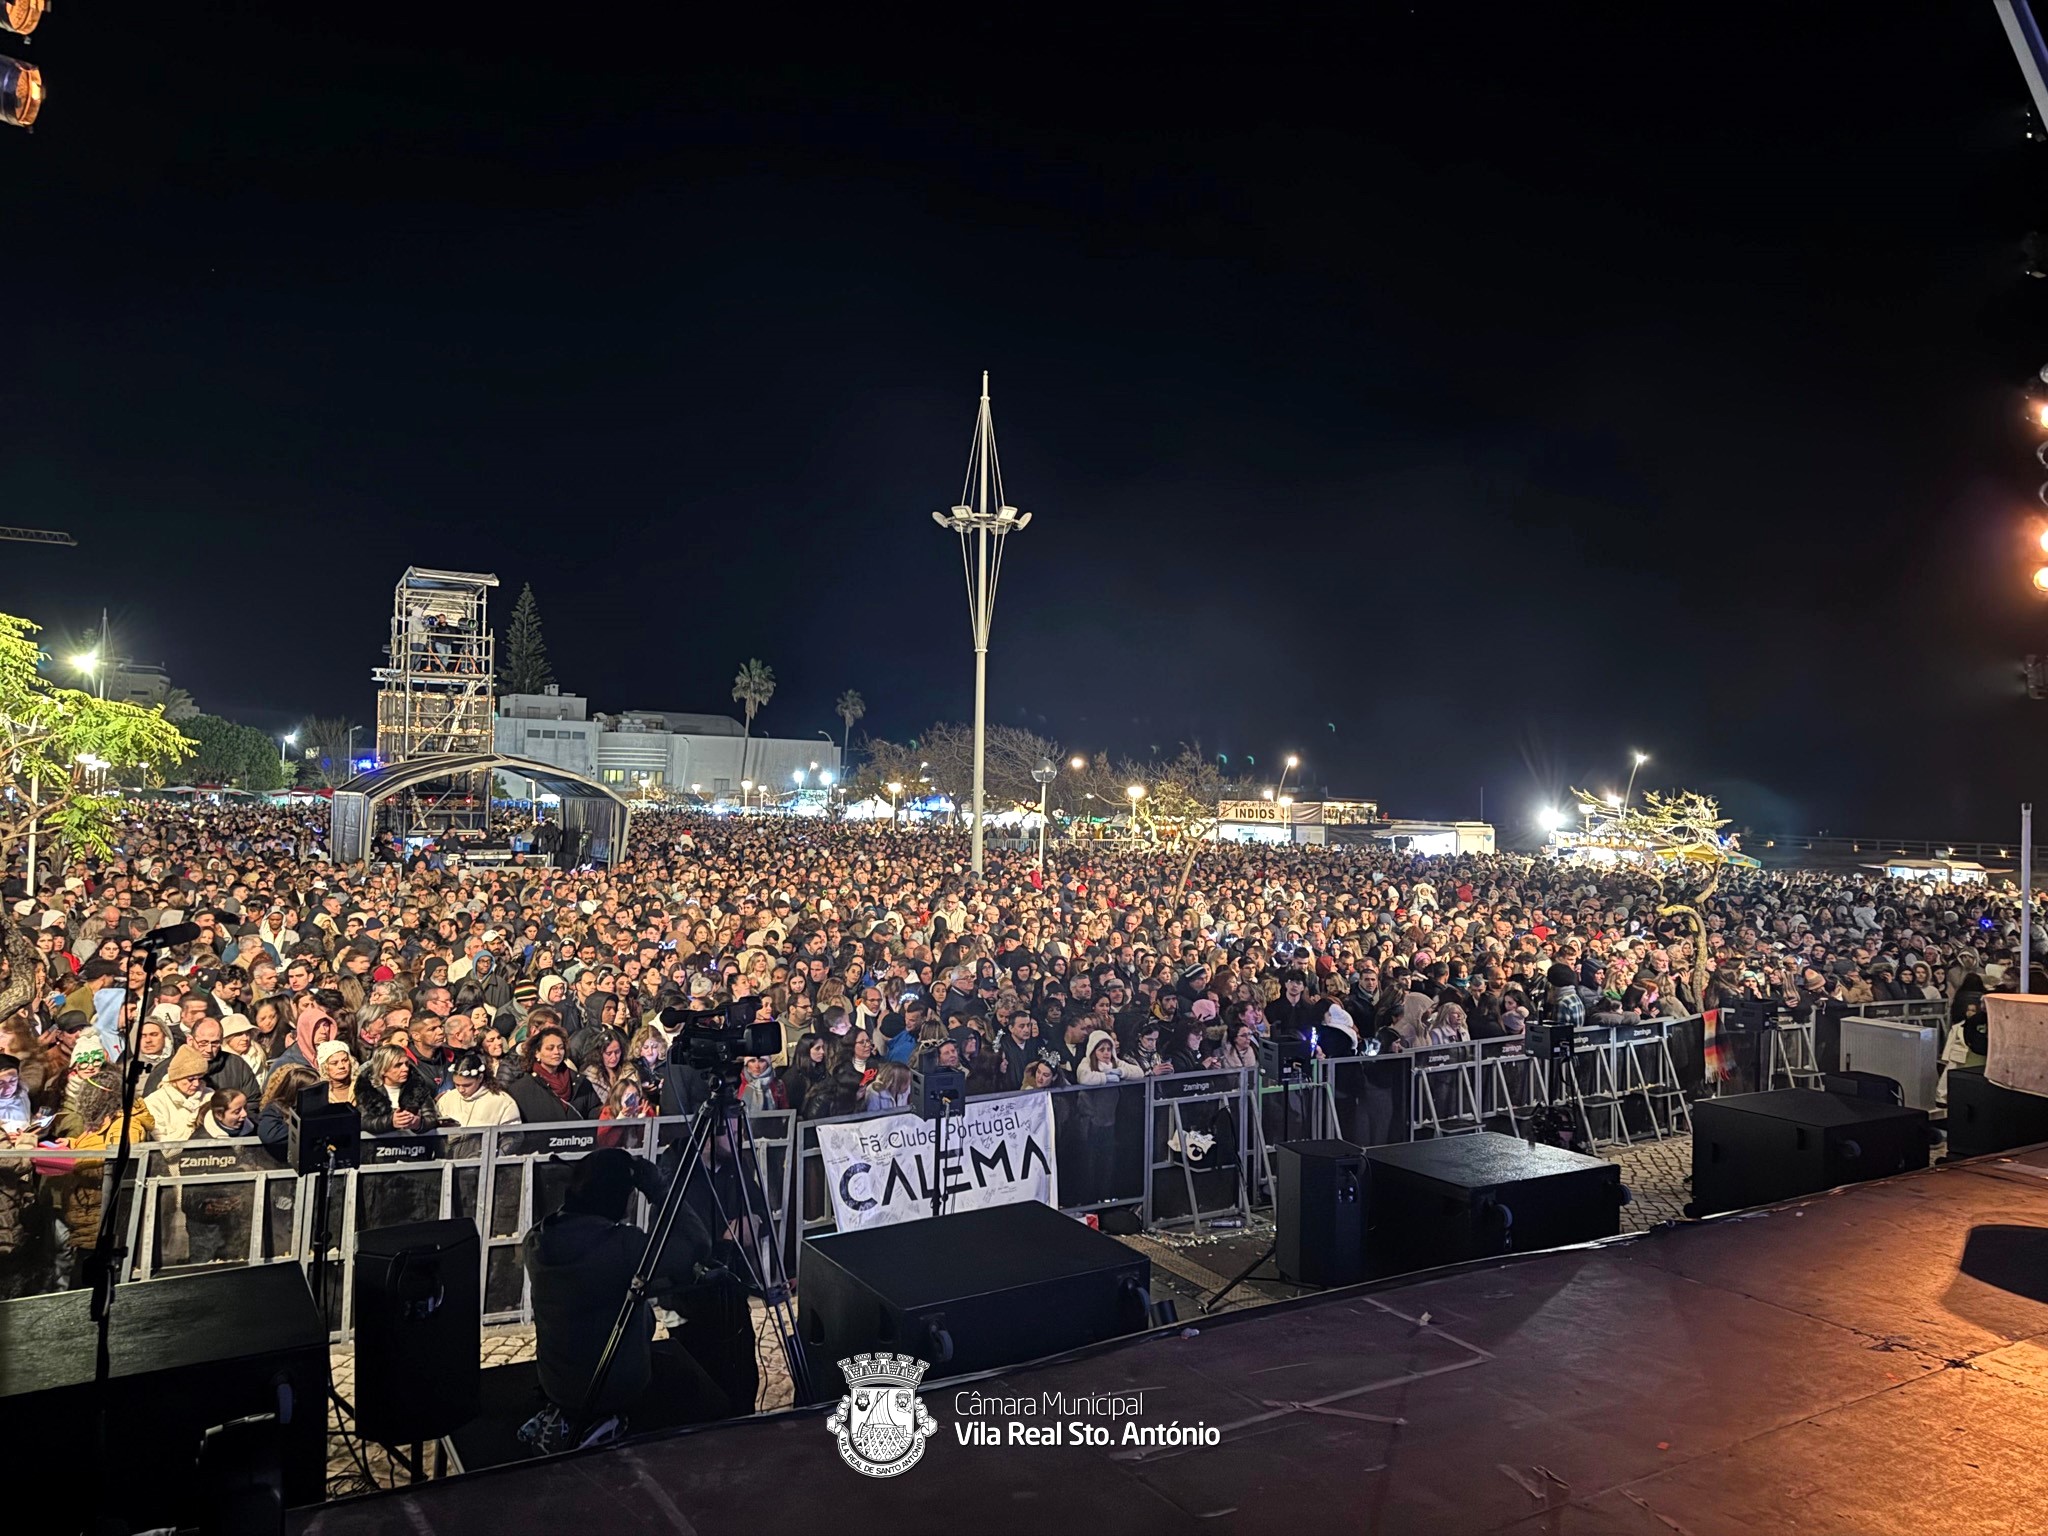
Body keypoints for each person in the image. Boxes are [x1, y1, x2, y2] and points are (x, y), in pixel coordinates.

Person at [520, 1148, 724, 1448]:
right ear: (622, 1195)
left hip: (558, 1385)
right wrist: (659, 1190)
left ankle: (569, 1419)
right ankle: (605, 1424)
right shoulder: (622, 1246)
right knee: (709, 1396)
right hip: (613, 1389)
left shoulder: (535, 1239)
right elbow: (697, 1244)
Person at [508, 1026, 601, 1123]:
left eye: (560, 1048)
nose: (557, 1052)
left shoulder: (581, 1082)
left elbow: (594, 1113)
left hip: (578, 1137)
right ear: (537, 1053)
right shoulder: (521, 1089)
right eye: (550, 1048)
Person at [437, 1049, 521, 1128]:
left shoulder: (502, 1102)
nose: (461, 1090)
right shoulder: (446, 1100)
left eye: (467, 1085)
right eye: (457, 1085)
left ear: (480, 1078)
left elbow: (511, 1136)